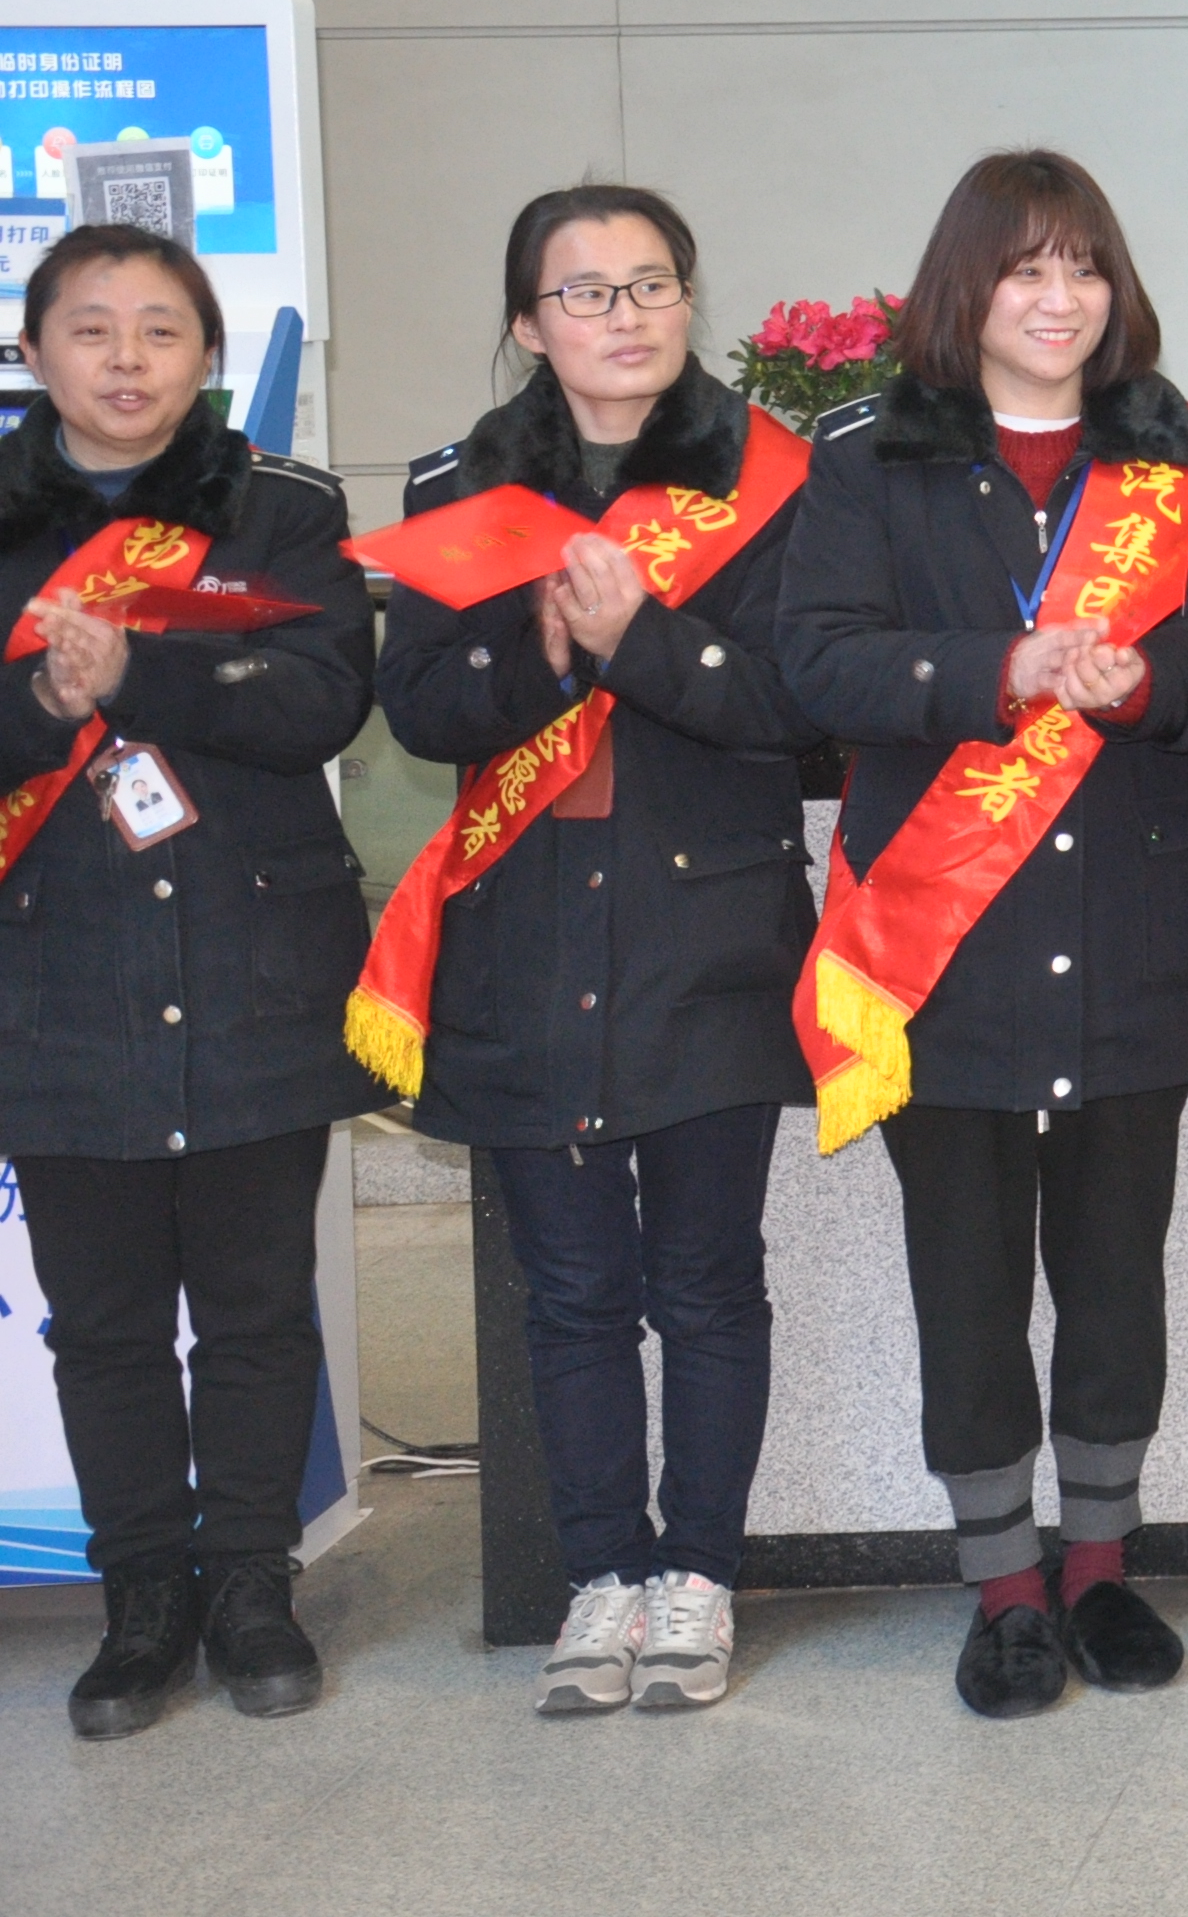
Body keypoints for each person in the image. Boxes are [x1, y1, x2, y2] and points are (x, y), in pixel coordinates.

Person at [774, 150, 1188, 1720]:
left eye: (1085, 266)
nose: (1060, 298)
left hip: (1136, 925)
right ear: (963, 287)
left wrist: (1151, 685)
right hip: (937, 947)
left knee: (1117, 1276)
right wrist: (1003, 671)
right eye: (1025, 268)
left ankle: (1101, 1569)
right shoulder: (867, 457)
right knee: (966, 1283)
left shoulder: (1186, 454)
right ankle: (1002, 1589)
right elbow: (817, 665)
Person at [369, 186, 824, 1716]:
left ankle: (700, 1576)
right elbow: (423, 707)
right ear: (527, 323)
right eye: (585, 292)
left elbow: (801, 704)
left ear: (690, 301)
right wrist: (551, 648)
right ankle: (600, 1578)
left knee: (706, 1280)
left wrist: (646, 639)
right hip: (525, 932)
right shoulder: (461, 488)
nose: (623, 316)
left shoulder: (776, 479)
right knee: (569, 1292)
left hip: (710, 925)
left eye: (651, 284)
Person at [0, 225, 375, 1737]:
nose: (128, 360)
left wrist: (138, 674)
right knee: (100, 1323)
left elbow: (321, 700)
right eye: (91, 329)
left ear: (208, 355)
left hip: (252, 955)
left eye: (162, 330)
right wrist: (48, 701)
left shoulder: (283, 508)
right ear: (34, 352)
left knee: (255, 1306)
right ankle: (142, 1599)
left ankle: (251, 1589)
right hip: (50, 970)